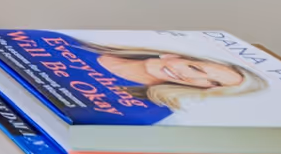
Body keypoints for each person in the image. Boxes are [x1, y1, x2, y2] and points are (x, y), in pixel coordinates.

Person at [70, 38, 267, 111]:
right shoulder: (75, 44)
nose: (189, 78)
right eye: (195, 68)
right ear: (173, 55)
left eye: (211, 82)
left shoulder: (147, 111)